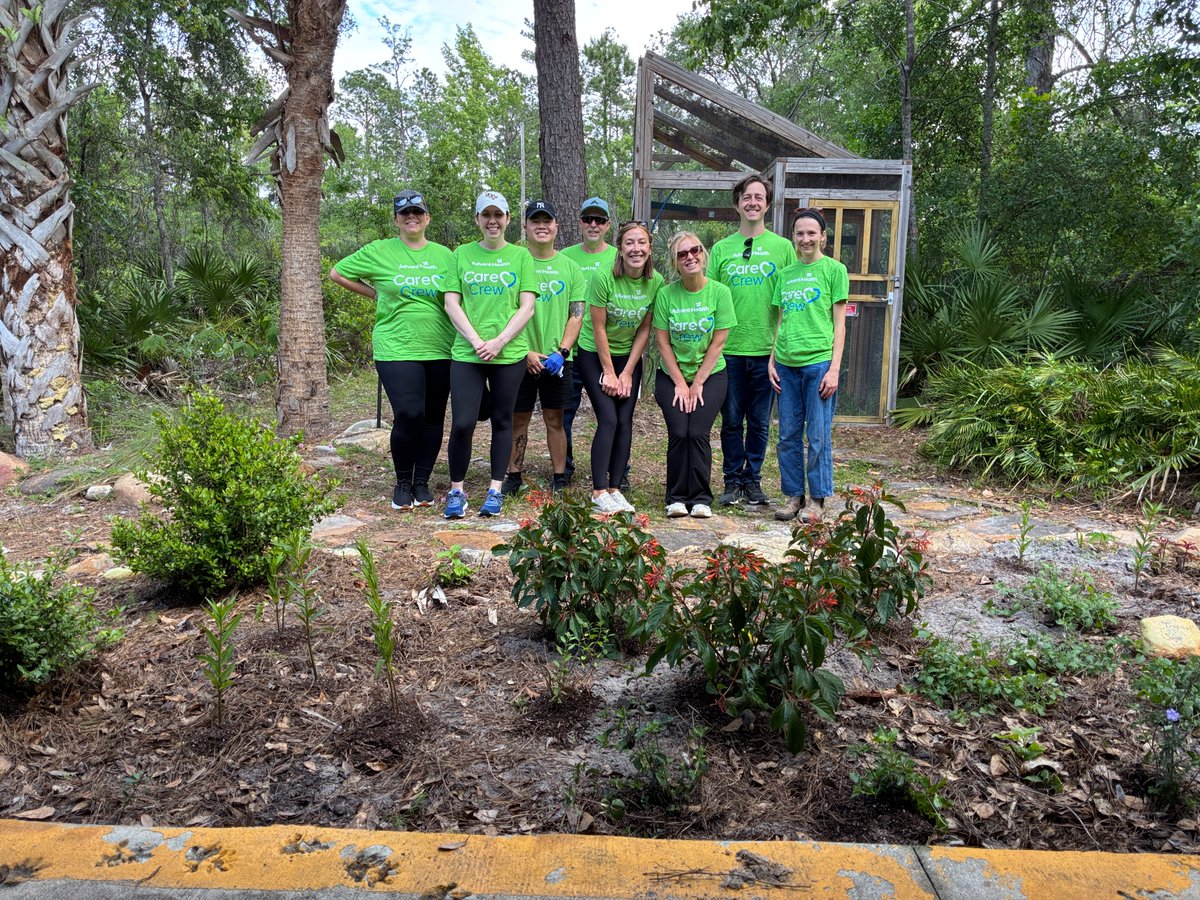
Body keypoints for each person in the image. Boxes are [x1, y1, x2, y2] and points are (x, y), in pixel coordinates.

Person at [330, 189, 454, 511]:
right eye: (404, 213)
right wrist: (376, 295)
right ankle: (402, 481)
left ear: (427, 217)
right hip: (396, 346)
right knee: (409, 413)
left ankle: (422, 483)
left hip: (440, 346)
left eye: (417, 212)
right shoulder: (379, 251)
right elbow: (338, 273)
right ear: (397, 219)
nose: (411, 217)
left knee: (432, 418)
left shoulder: (445, 256)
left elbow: (457, 297)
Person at [441, 190, 537, 519]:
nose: (493, 221)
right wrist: (474, 339)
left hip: (508, 354)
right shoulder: (461, 255)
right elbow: (451, 302)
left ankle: (495, 490)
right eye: (486, 215)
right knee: (463, 422)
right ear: (478, 220)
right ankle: (457, 492)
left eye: (499, 215)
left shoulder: (521, 257)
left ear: (508, 219)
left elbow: (527, 306)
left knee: (501, 420)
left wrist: (499, 341)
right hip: (467, 353)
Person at [706, 175, 796, 507]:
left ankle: (753, 481)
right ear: (737, 203)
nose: (753, 202)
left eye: (759, 197)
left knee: (759, 422)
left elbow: (789, 302)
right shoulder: (721, 250)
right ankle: (731, 481)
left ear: (768, 205)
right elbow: (709, 299)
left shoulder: (784, 248)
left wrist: (779, 349)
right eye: (747, 197)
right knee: (731, 420)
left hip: (766, 353)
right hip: (727, 351)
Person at [576, 220, 663, 514]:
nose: (635, 249)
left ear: (650, 248)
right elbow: (598, 328)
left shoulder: (656, 282)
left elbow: (644, 330)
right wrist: (609, 372)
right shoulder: (603, 278)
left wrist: (626, 372)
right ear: (620, 248)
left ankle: (616, 488)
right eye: (629, 243)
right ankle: (598, 491)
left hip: (629, 357)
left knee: (625, 420)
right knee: (609, 420)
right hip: (594, 353)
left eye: (641, 243)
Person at [502, 199, 587, 496]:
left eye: (546, 221)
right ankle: (513, 475)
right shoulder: (514, 262)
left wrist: (561, 352)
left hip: (557, 359)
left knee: (556, 419)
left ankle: (560, 477)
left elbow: (576, 314)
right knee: (519, 418)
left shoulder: (570, 268)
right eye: (535, 221)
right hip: (518, 356)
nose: (541, 226)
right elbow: (505, 311)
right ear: (525, 227)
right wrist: (524, 351)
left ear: (556, 227)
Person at [769, 208, 848, 523]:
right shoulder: (785, 274)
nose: (805, 239)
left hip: (818, 363)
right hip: (786, 365)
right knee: (787, 434)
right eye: (800, 233)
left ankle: (816, 500)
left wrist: (834, 369)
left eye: (811, 233)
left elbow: (839, 325)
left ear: (823, 237)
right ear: (794, 237)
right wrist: (772, 361)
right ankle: (793, 496)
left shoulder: (834, 270)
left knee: (817, 435)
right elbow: (780, 321)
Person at [652, 232, 736, 519]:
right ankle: (675, 497)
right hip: (671, 375)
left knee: (697, 432)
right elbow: (662, 343)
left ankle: (700, 498)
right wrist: (680, 383)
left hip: (711, 375)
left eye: (694, 250)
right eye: (681, 254)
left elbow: (719, 343)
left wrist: (697, 383)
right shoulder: (666, 294)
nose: (690, 257)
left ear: (703, 254)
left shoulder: (720, 293)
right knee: (679, 431)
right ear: (675, 262)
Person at [560, 197, 618, 485]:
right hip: (570, 349)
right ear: (580, 223)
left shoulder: (619, 257)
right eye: (587, 219)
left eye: (599, 220)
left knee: (612, 416)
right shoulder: (565, 257)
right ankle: (563, 469)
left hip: (604, 351)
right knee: (563, 414)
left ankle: (617, 470)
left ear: (608, 225)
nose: (593, 225)